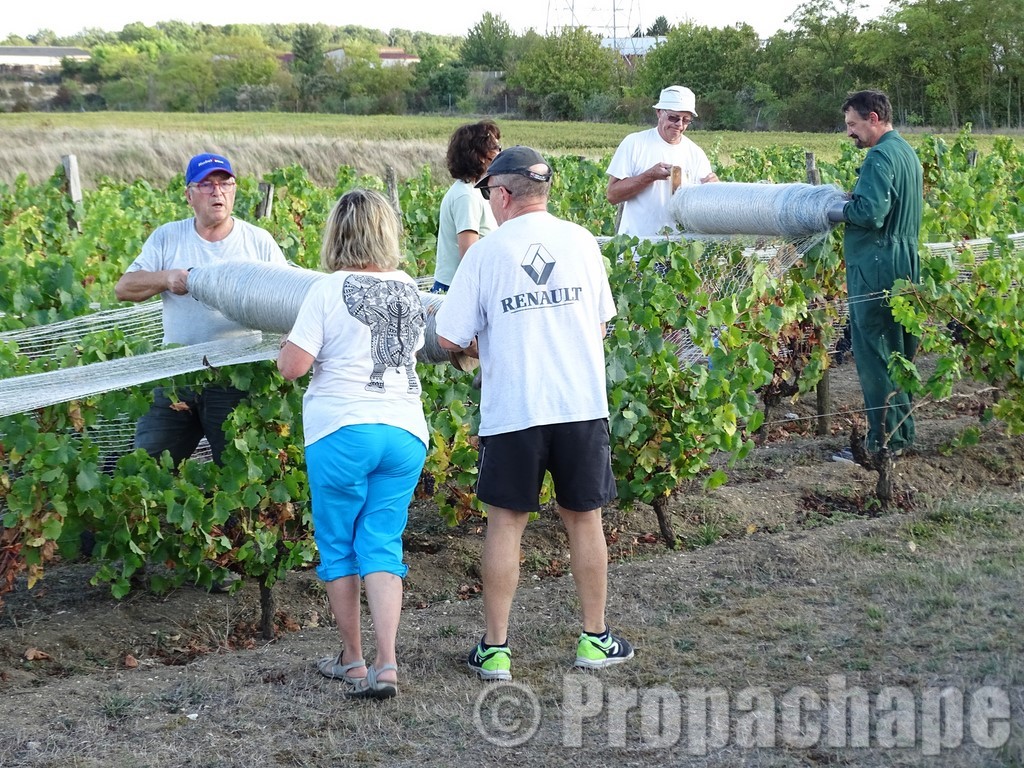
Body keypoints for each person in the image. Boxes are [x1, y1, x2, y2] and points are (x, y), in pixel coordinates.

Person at [434, 146, 633, 681]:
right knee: (584, 519)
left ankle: (496, 650)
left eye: (489, 196)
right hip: (579, 404)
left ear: (502, 194)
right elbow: (599, 325)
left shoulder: (486, 254)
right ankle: (595, 639)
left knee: (505, 524)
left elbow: (449, 336)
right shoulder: (583, 241)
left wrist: (485, 342)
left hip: (514, 408)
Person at [278, 188, 428, 700]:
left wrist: (284, 348)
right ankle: (388, 663)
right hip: (404, 432)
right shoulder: (408, 287)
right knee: (382, 542)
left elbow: (294, 366)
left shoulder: (327, 289)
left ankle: (354, 661)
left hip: (342, 430)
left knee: (339, 546)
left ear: (337, 234)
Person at [115, 152, 287, 466]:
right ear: (189, 195)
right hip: (177, 374)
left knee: (237, 465)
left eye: (225, 183)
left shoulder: (257, 242)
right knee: (148, 463)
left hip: (235, 376)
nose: (217, 191)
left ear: (234, 191)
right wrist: (167, 278)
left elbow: (284, 299)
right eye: (206, 185)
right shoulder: (168, 237)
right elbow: (124, 288)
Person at [837, 89, 923, 460]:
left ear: (873, 118)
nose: (849, 133)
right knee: (899, 352)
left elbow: (870, 214)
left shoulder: (879, 156)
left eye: (853, 124)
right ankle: (902, 435)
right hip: (905, 263)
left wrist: (837, 209)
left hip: (876, 264)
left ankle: (883, 443)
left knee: (876, 354)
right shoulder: (906, 152)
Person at [606, 85, 719, 237]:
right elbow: (612, 195)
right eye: (673, 118)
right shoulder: (634, 143)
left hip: (679, 248)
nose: (679, 125)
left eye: (686, 120)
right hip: (636, 247)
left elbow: (705, 209)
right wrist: (649, 176)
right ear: (659, 112)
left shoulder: (696, 153)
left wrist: (712, 191)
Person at [431, 120, 502, 292]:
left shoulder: (475, 191)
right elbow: (469, 256)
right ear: (479, 155)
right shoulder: (466, 196)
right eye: (495, 147)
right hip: (458, 289)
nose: (500, 153)